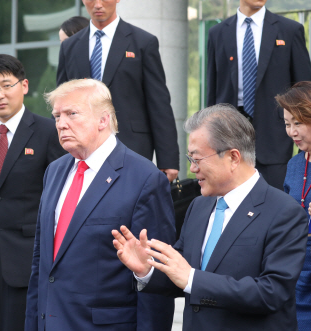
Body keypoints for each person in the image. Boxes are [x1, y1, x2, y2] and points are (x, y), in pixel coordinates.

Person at [112, 104, 309, 331]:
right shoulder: (199, 206)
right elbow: (182, 275)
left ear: (233, 157)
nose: (192, 169)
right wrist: (147, 270)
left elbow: (271, 293)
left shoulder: (284, 211)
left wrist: (193, 279)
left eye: (196, 159)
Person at [25, 79, 176, 331]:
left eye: (72, 114)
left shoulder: (145, 178)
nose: (61, 124)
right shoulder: (54, 171)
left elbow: (155, 279)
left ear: (103, 120)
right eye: (57, 116)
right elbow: (41, 262)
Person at [0, 54, 66, 331]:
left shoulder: (48, 131)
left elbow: (58, 197)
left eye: (7, 85)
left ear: (24, 86)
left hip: (28, 256)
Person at [57, 0, 179, 182]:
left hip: (132, 145)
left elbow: (159, 103)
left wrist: (168, 158)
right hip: (82, 148)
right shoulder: (70, 46)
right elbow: (61, 102)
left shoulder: (143, 42)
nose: (98, 4)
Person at [206, 0, 311, 190]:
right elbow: (212, 92)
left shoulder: (290, 30)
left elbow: (305, 91)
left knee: (276, 206)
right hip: (230, 137)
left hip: (276, 138)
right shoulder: (217, 33)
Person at [276, 81, 311, 330]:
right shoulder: (294, 165)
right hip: (296, 270)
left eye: (298, 123)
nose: (291, 132)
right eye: (288, 124)